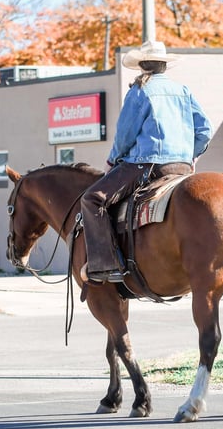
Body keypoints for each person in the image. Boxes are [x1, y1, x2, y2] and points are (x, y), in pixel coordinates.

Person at [81, 40, 213, 284]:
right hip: (182, 167)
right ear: (164, 65)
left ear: (142, 65)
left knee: (92, 199)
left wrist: (112, 160)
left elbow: (125, 134)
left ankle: (105, 265)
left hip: (146, 166)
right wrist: (191, 155)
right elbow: (205, 129)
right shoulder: (183, 90)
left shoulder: (140, 91)